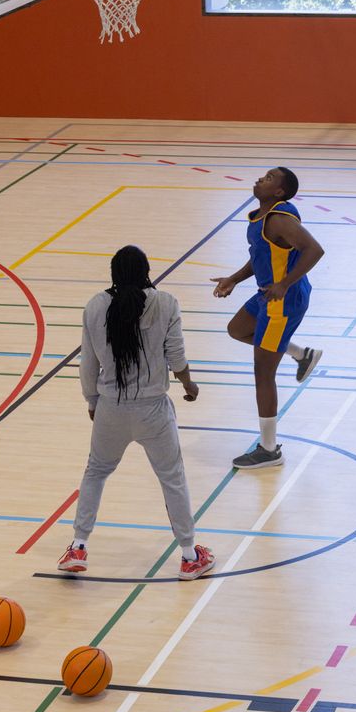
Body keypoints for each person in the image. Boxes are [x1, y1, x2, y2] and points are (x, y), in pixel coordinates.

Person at [57, 245, 215, 580]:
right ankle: (189, 556)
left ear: (113, 274)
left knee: (95, 472)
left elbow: (88, 363)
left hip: (110, 408)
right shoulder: (165, 302)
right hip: (153, 411)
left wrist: (91, 401)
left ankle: (78, 546)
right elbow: (176, 355)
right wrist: (189, 384)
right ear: (146, 271)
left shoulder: (96, 306)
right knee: (172, 478)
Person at [211, 166, 324, 469]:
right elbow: (261, 256)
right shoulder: (262, 217)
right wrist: (234, 278)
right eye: (264, 175)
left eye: (270, 178)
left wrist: (285, 284)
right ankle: (301, 354)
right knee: (237, 329)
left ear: (279, 192)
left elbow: (315, 249)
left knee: (263, 372)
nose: (261, 178)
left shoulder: (279, 219)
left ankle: (269, 449)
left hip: (282, 301)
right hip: (268, 293)